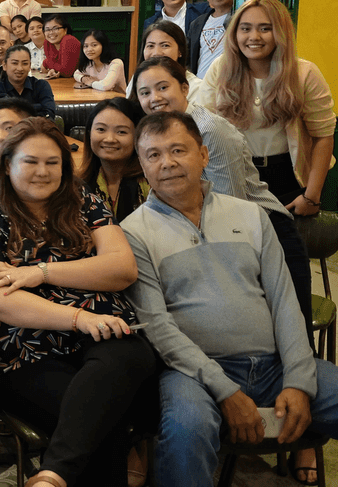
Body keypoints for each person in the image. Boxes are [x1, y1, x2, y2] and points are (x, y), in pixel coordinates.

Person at [122, 111, 338, 487]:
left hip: (274, 366)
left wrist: (299, 381)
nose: (167, 162)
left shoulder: (251, 215)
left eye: (178, 150)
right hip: (193, 376)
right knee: (186, 431)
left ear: (204, 155)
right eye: (153, 155)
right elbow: (156, 326)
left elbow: (285, 302)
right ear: (142, 167)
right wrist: (225, 390)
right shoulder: (133, 232)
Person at [0, 117, 156, 487]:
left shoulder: (86, 203)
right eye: (30, 161)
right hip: (24, 351)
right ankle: (55, 475)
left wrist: (39, 273)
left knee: (127, 355)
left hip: (107, 336)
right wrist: (78, 317)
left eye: (53, 162)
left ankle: (52, 475)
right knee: (101, 419)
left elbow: (121, 268)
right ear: (7, 165)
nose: (43, 171)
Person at [132, 56, 313, 338]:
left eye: (162, 87)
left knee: (289, 336)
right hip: (221, 236)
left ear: (184, 87)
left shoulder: (210, 131)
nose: (154, 98)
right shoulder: (157, 134)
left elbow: (229, 208)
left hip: (267, 234)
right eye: (145, 92)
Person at [203, 0, 335, 217]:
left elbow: (323, 136)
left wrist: (311, 196)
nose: (254, 37)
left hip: (288, 178)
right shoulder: (220, 69)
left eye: (265, 28)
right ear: (235, 33)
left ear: (281, 33)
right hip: (234, 174)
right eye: (245, 28)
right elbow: (203, 128)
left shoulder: (305, 73)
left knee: (286, 240)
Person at [79, 98, 149, 222]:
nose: (109, 139)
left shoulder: (151, 185)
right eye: (101, 129)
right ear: (89, 132)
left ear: (138, 136)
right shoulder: (79, 187)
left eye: (121, 132)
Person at [126, 20, 205, 100]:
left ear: (180, 51)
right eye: (150, 46)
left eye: (165, 45)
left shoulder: (196, 87)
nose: (156, 53)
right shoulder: (139, 79)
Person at [188, 0, 236, 78]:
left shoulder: (240, 19)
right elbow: (189, 56)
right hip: (200, 84)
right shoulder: (197, 23)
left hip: (228, 83)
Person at [0, 45, 56, 119]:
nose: (20, 68)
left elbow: (49, 115)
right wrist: (36, 108)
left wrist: (14, 111)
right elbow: (1, 119)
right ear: (4, 65)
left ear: (29, 66)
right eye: (15, 63)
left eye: (25, 63)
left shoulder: (41, 86)